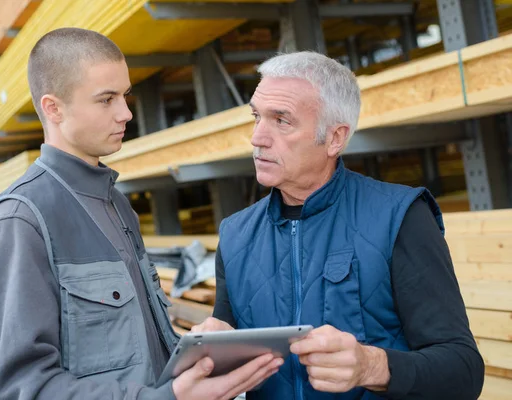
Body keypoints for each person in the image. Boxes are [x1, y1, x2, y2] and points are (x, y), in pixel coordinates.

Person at [0, 27, 283, 400]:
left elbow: (136, 351)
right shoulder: (20, 224)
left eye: (125, 95)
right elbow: (29, 389)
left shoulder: (115, 204)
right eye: (106, 100)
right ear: (53, 108)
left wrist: (196, 353)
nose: (126, 113)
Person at [192, 51, 485, 399]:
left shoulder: (399, 217)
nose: (257, 137)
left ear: (335, 138)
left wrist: (371, 366)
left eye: (281, 120)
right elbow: (230, 355)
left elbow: (463, 370)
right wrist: (211, 355)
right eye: (257, 116)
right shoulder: (236, 234)